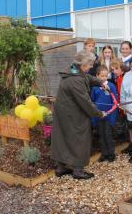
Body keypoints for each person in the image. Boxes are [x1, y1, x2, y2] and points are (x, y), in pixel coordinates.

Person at [51, 50, 106, 180]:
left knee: (63, 137)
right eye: (90, 64)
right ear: (82, 64)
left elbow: (87, 77)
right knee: (80, 138)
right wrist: (99, 114)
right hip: (73, 114)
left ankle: (61, 167)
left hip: (63, 112)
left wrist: (100, 83)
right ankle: (78, 171)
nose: (92, 66)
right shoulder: (75, 81)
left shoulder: (73, 70)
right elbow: (85, 102)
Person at [91, 65, 118, 163]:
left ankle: (111, 153)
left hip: (108, 115)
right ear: (97, 76)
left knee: (108, 134)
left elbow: (115, 101)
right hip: (99, 115)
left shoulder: (111, 86)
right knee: (101, 135)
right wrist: (94, 117)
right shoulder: (94, 87)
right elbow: (92, 101)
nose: (104, 78)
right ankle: (104, 153)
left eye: (106, 76)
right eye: (102, 76)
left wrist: (112, 117)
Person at [110, 59, 132, 155]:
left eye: (116, 68)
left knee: (131, 125)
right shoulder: (118, 78)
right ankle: (131, 143)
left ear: (122, 69)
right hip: (122, 105)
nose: (114, 71)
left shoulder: (124, 78)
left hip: (127, 105)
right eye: (112, 69)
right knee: (128, 126)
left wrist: (125, 106)